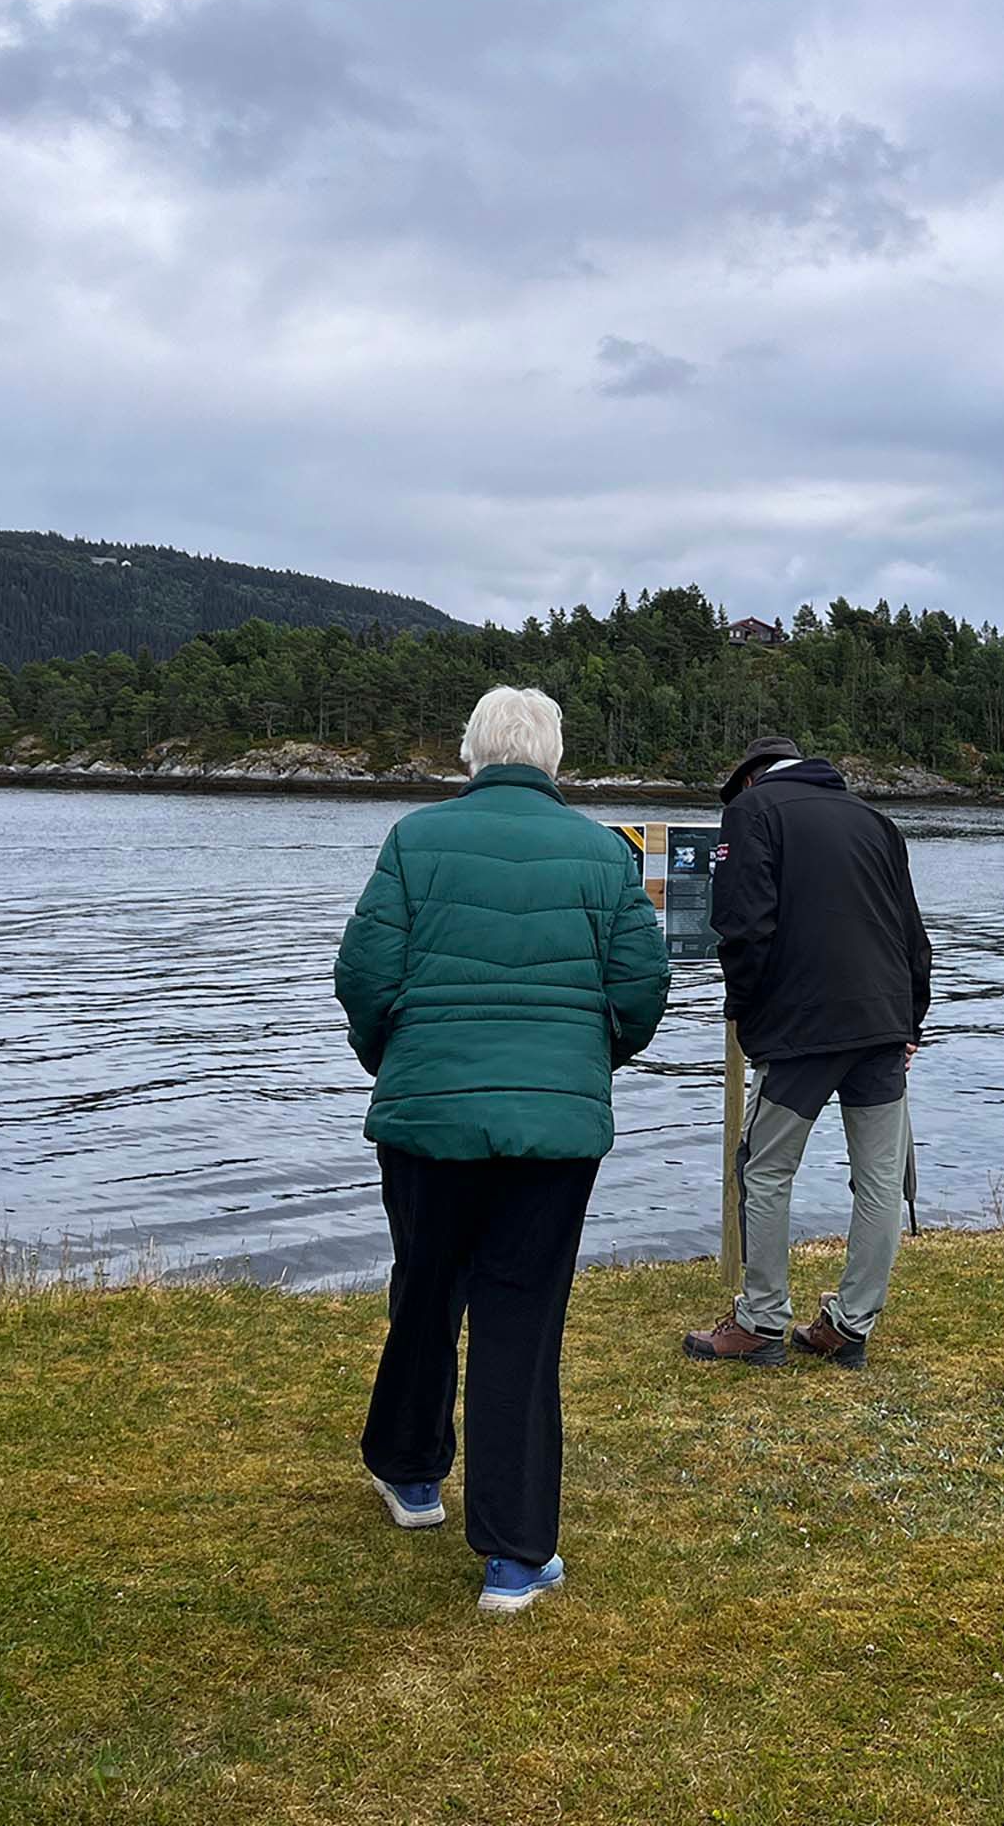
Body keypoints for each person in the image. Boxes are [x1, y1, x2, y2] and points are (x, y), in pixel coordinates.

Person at [334, 685, 669, 1612]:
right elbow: (642, 986)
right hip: (552, 1129)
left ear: (470, 755)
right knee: (522, 1317)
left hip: (426, 1113)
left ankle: (408, 1471)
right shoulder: (607, 854)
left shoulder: (414, 839)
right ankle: (516, 1558)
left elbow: (362, 974)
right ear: (554, 758)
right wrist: (590, 1056)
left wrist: (393, 1058)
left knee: (426, 1283)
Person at [684, 735, 931, 1372]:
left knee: (765, 1170)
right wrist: (911, 1021)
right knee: (877, 1180)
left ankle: (762, 1320)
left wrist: (743, 1010)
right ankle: (850, 1326)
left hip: (801, 1027)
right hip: (881, 1020)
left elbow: (742, 924)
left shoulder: (753, 812)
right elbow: (911, 930)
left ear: (750, 779)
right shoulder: (876, 821)